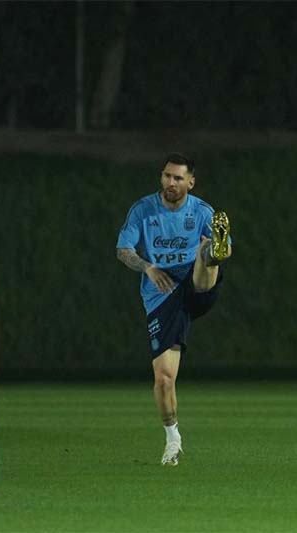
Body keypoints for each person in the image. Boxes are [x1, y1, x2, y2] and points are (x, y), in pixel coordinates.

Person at [116, 152, 232, 466]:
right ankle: (173, 439)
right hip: (162, 295)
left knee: (206, 256)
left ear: (190, 183)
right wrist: (147, 267)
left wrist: (218, 250)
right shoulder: (142, 210)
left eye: (178, 178)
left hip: (195, 283)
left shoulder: (203, 211)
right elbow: (123, 250)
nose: (171, 182)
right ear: (161, 177)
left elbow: (232, 248)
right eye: (167, 176)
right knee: (164, 379)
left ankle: (210, 252)